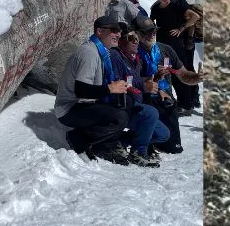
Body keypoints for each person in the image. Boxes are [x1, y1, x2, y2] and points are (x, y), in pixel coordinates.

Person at [53, 15, 154, 167]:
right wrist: (110, 88)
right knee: (118, 116)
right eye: (114, 30)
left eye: (119, 31)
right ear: (99, 31)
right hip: (69, 108)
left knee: (126, 102)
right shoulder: (89, 53)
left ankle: (108, 143)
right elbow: (81, 91)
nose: (119, 34)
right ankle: (79, 137)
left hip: (85, 103)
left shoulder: (102, 51)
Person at [134, 15, 200, 154]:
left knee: (174, 149)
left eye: (153, 31)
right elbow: (132, 81)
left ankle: (157, 140)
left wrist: (197, 77)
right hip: (146, 101)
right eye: (146, 32)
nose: (151, 34)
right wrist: (153, 82)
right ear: (137, 34)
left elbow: (183, 75)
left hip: (167, 102)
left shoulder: (166, 50)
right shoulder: (133, 53)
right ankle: (141, 143)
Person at [110, 26, 167, 163]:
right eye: (131, 38)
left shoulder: (137, 59)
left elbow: (138, 80)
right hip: (122, 106)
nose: (136, 41)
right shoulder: (115, 56)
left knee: (163, 134)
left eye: (137, 38)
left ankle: (120, 141)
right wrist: (143, 86)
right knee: (152, 113)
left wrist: (155, 79)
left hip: (137, 104)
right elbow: (116, 82)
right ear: (121, 41)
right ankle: (138, 153)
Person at [151, 0, 199, 112]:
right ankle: (173, 101)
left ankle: (186, 104)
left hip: (177, 46)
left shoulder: (178, 5)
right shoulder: (155, 8)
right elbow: (151, 23)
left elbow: (195, 17)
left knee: (179, 73)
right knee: (166, 73)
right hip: (163, 46)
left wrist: (181, 28)